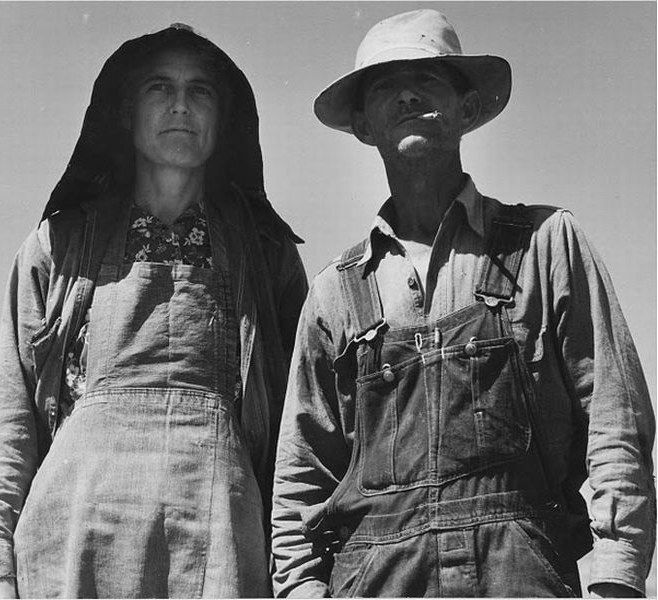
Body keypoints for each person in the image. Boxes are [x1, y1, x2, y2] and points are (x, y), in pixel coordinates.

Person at [271, 9, 655, 598]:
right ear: (363, 125)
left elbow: (614, 418)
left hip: (522, 574)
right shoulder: (333, 294)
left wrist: (616, 574)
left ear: (466, 109)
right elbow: (301, 478)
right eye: (384, 86)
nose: (406, 96)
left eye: (427, 79)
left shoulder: (545, 244)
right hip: (374, 582)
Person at [0, 23, 307, 598]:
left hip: (218, 553)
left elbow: (300, 438)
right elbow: (9, 426)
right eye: (159, 87)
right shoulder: (58, 247)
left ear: (225, 120)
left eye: (201, 91)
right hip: (73, 549)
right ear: (124, 112)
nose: (181, 106)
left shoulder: (267, 259)